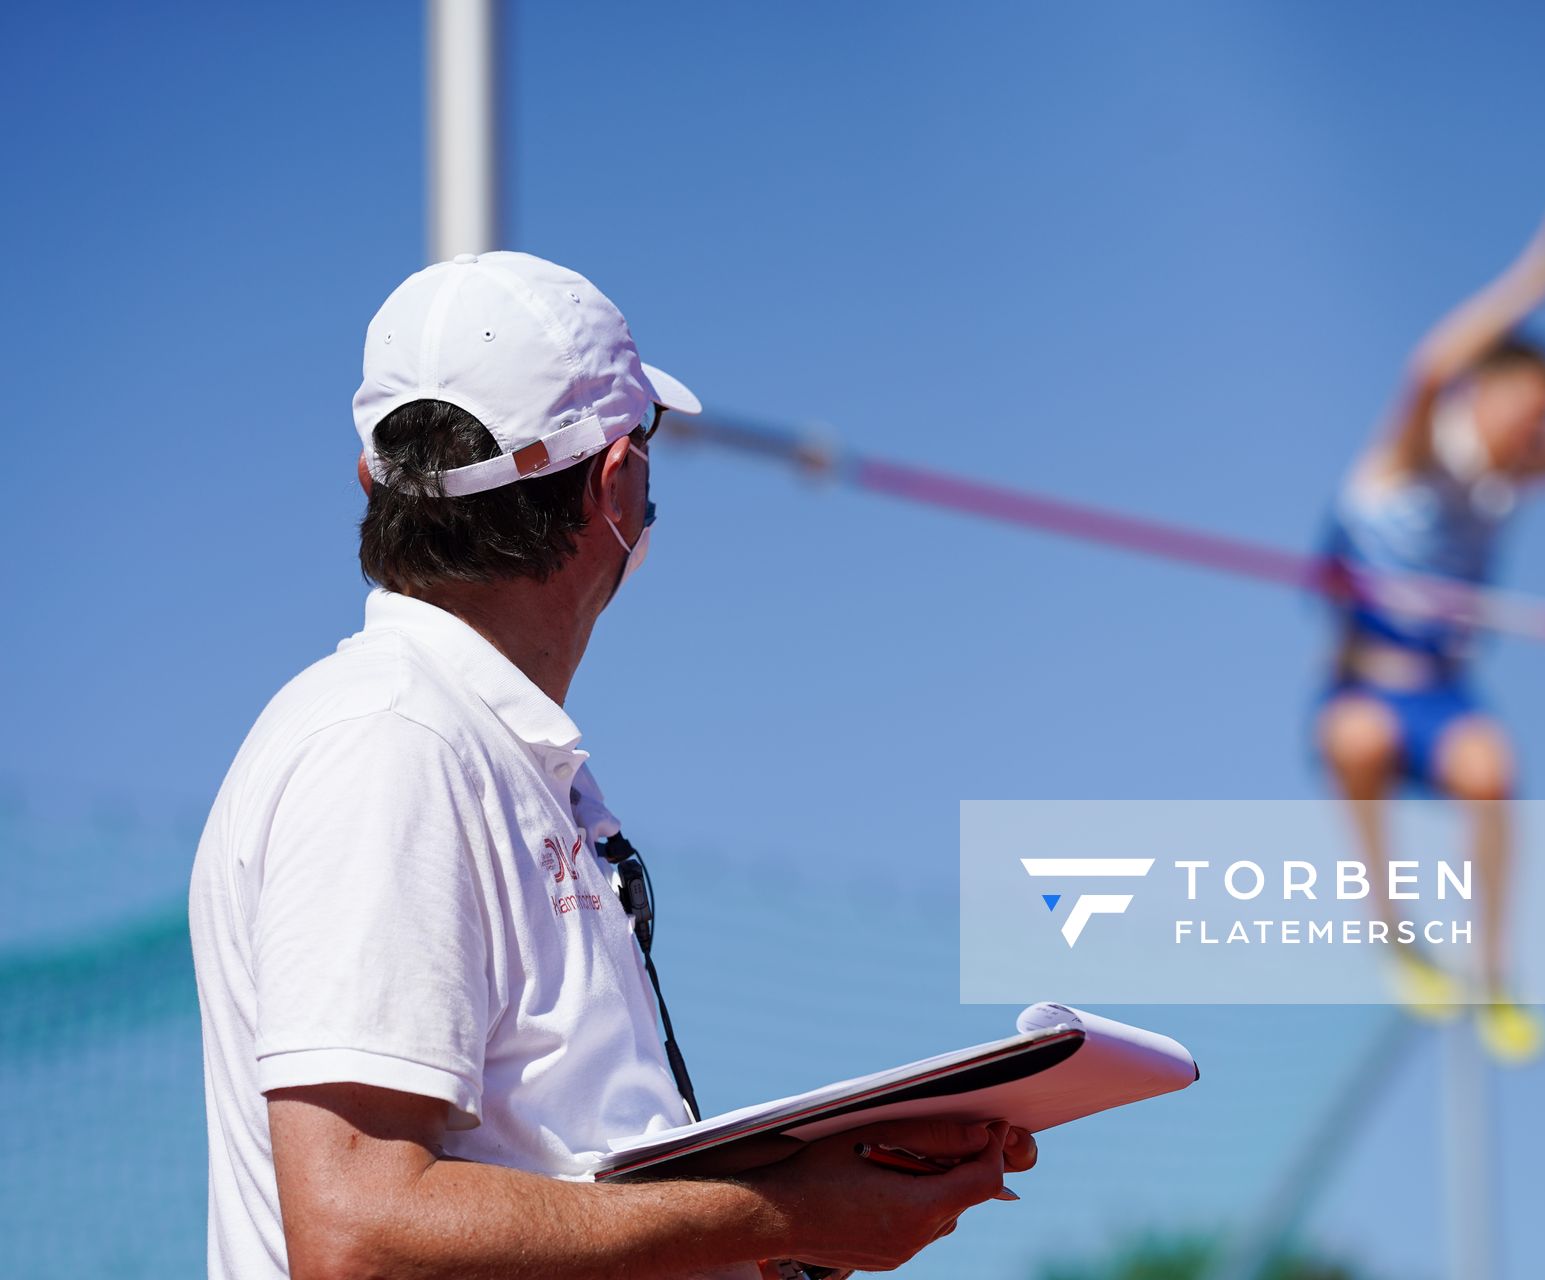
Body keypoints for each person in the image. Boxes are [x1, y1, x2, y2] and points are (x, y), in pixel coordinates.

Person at [188, 250, 1035, 1279]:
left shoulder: (484, 751)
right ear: (615, 482)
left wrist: (809, 1222)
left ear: (372, 479)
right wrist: (779, 1210)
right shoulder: (395, 745)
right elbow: (358, 1232)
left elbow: (546, 1188)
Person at [1314, 205, 1545, 1063]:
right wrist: (1530, 284)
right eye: (1531, 408)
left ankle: (1492, 973)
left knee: (1490, 771)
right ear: (1485, 391)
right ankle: (1398, 941)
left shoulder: (1510, 473)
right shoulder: (1412, 451)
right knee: (1355, 739)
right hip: (1367, 678)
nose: (1540, 430)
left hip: (1444, 689)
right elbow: (1427, 369)